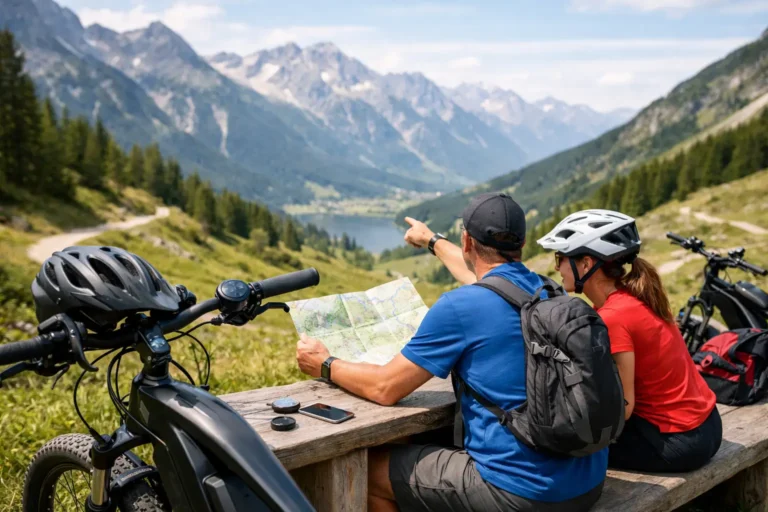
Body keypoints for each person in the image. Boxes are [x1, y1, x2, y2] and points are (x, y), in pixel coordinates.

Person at [296, 193, 607, 512]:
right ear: (522, 244)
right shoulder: (546, 290)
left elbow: (384, 388)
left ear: (467, 241)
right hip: (587, 483)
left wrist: (323, 362)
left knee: (369, 473)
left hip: (522, 492)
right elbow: (483, 275)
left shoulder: (460, 307)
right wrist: (431, 240)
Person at [538, 209, 722, 472]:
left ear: (586, 264)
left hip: (681, 441)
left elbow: (624, 408)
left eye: (561, 258)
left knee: (558, 447)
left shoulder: (612, 318)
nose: (557, 268)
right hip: (707, 423)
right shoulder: (636, 296)